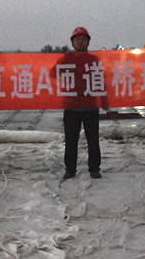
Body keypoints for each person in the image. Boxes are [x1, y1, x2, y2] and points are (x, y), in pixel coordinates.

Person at [61, 27, 108, 180]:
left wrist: (104, 100)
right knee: (71, 140)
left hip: (90, 105)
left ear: (88, 42)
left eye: (83, 38)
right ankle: (70, 169)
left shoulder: (93, 60)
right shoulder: (66, 59)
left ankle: (94, 168)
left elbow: (100, 80)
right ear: (72, 42)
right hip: (71, 106)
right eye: (77, 39)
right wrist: (64, 60)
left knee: (93, 139)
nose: (80, 41)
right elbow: (52, 73)